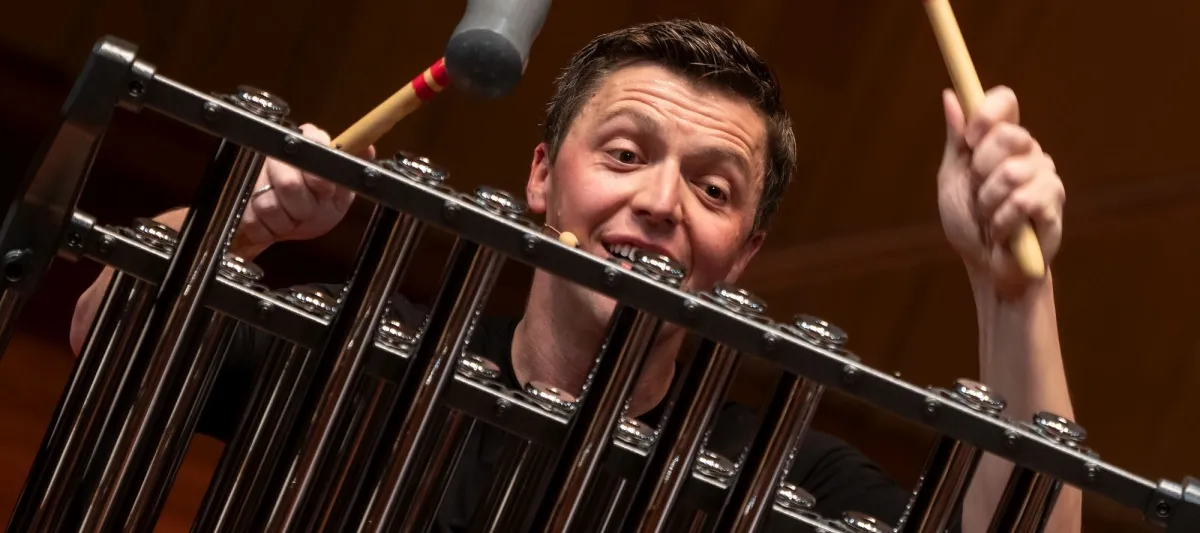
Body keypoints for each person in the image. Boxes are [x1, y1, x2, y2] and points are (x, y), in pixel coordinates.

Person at [68, 19, 1078, 532]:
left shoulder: (777, 477)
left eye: (715, 188)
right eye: (626, 154)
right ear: (544, 176)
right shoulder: (378, 356)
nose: (663, 202)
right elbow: (106, 338)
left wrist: (1013, 289)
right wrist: (245, 220)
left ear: (744, 253)